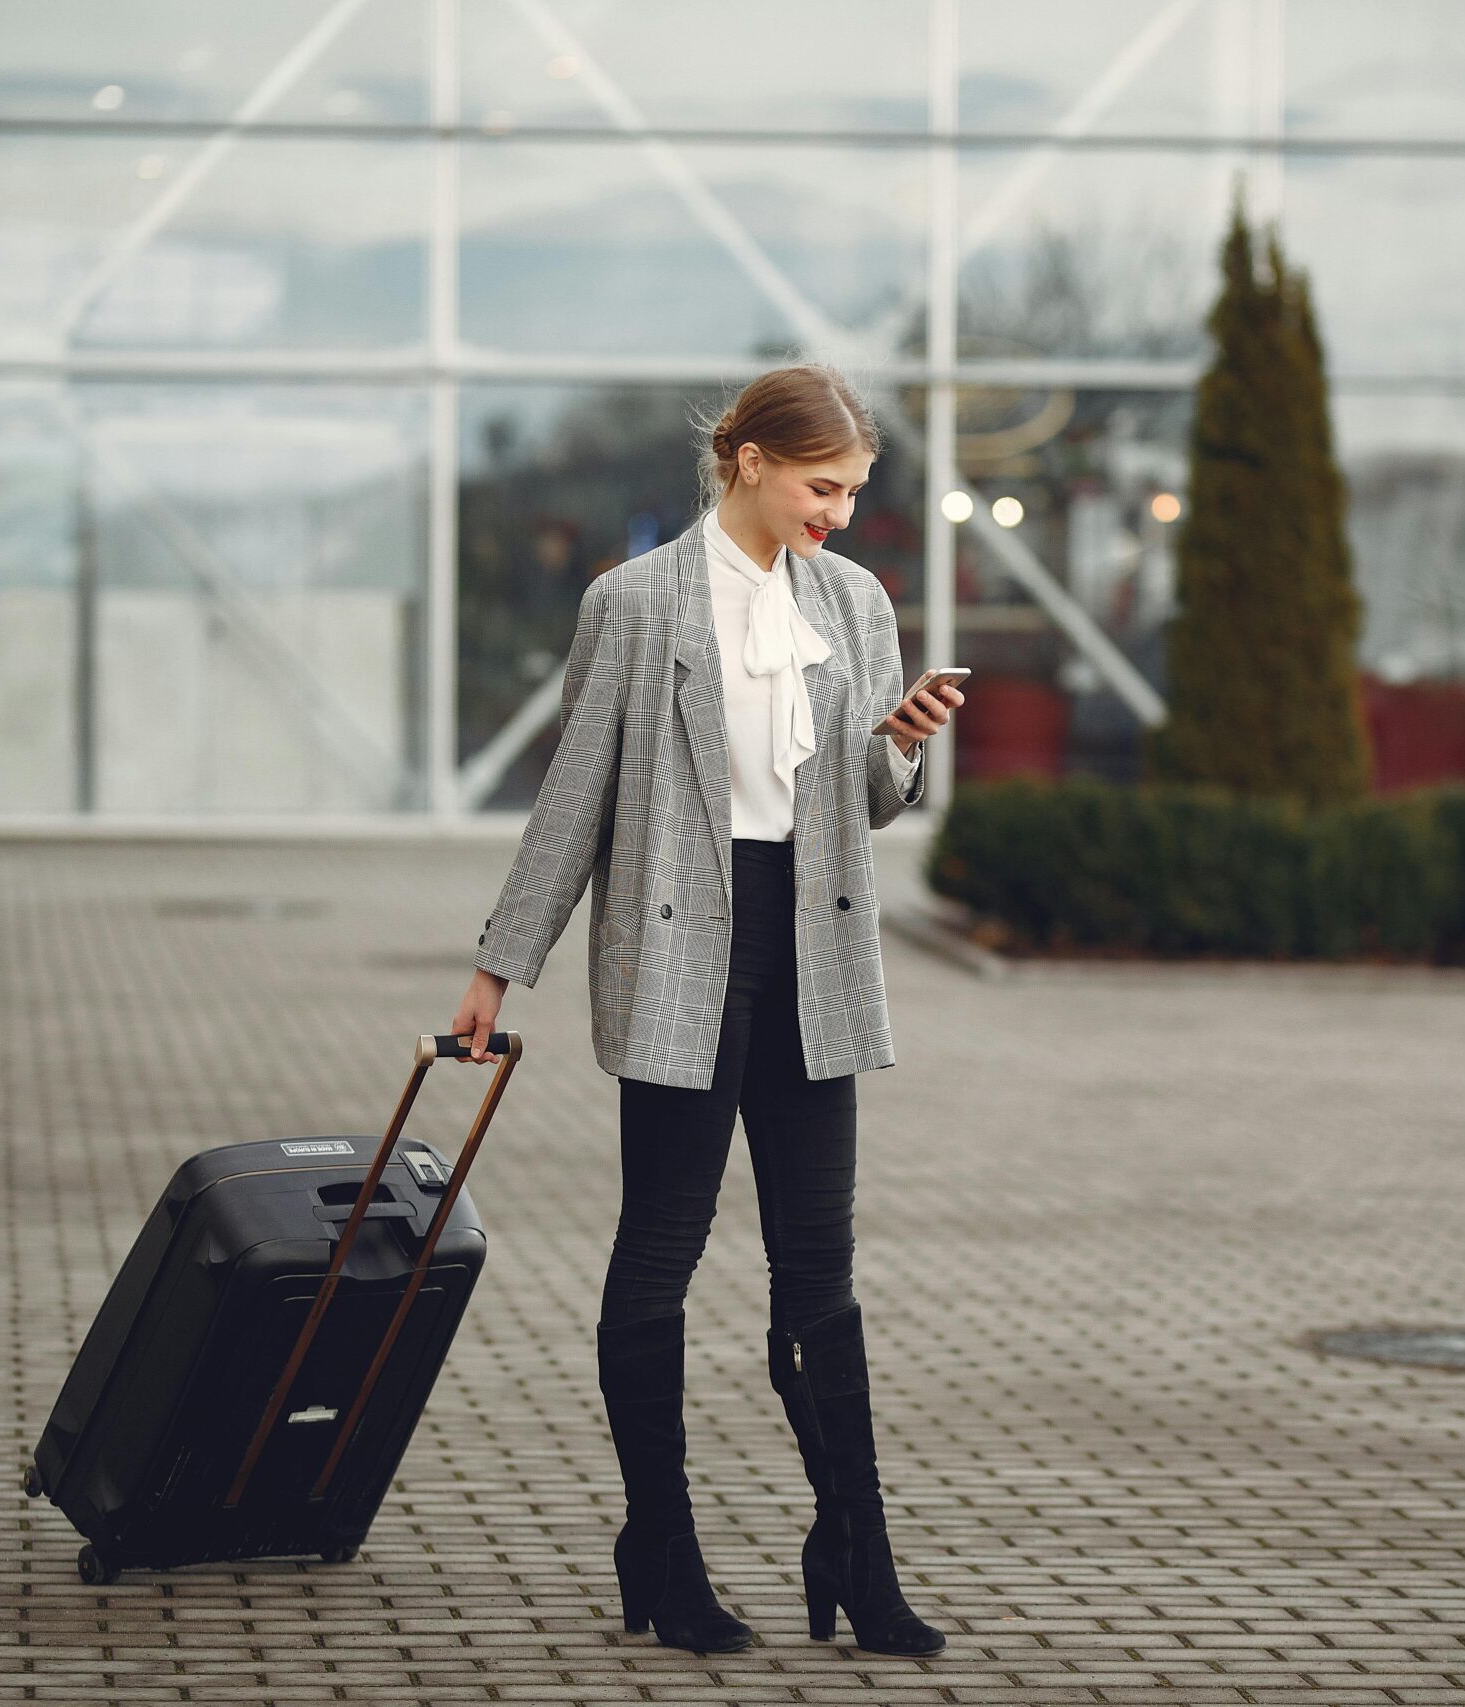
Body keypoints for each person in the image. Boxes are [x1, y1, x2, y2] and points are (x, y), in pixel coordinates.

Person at [449, 364, 964, 1658]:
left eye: (852, 493)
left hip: (814, 947)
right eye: (821, 486)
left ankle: (856, 1550)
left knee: (820, 1273)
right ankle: (661, 1550)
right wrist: (496, 968)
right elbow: (571, 801)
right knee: (662, 1252)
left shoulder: (854, 603)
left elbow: (871, 802)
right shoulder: (633, 605)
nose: (838, 515)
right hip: (684, 948)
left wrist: (899, 741)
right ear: (746, 459)